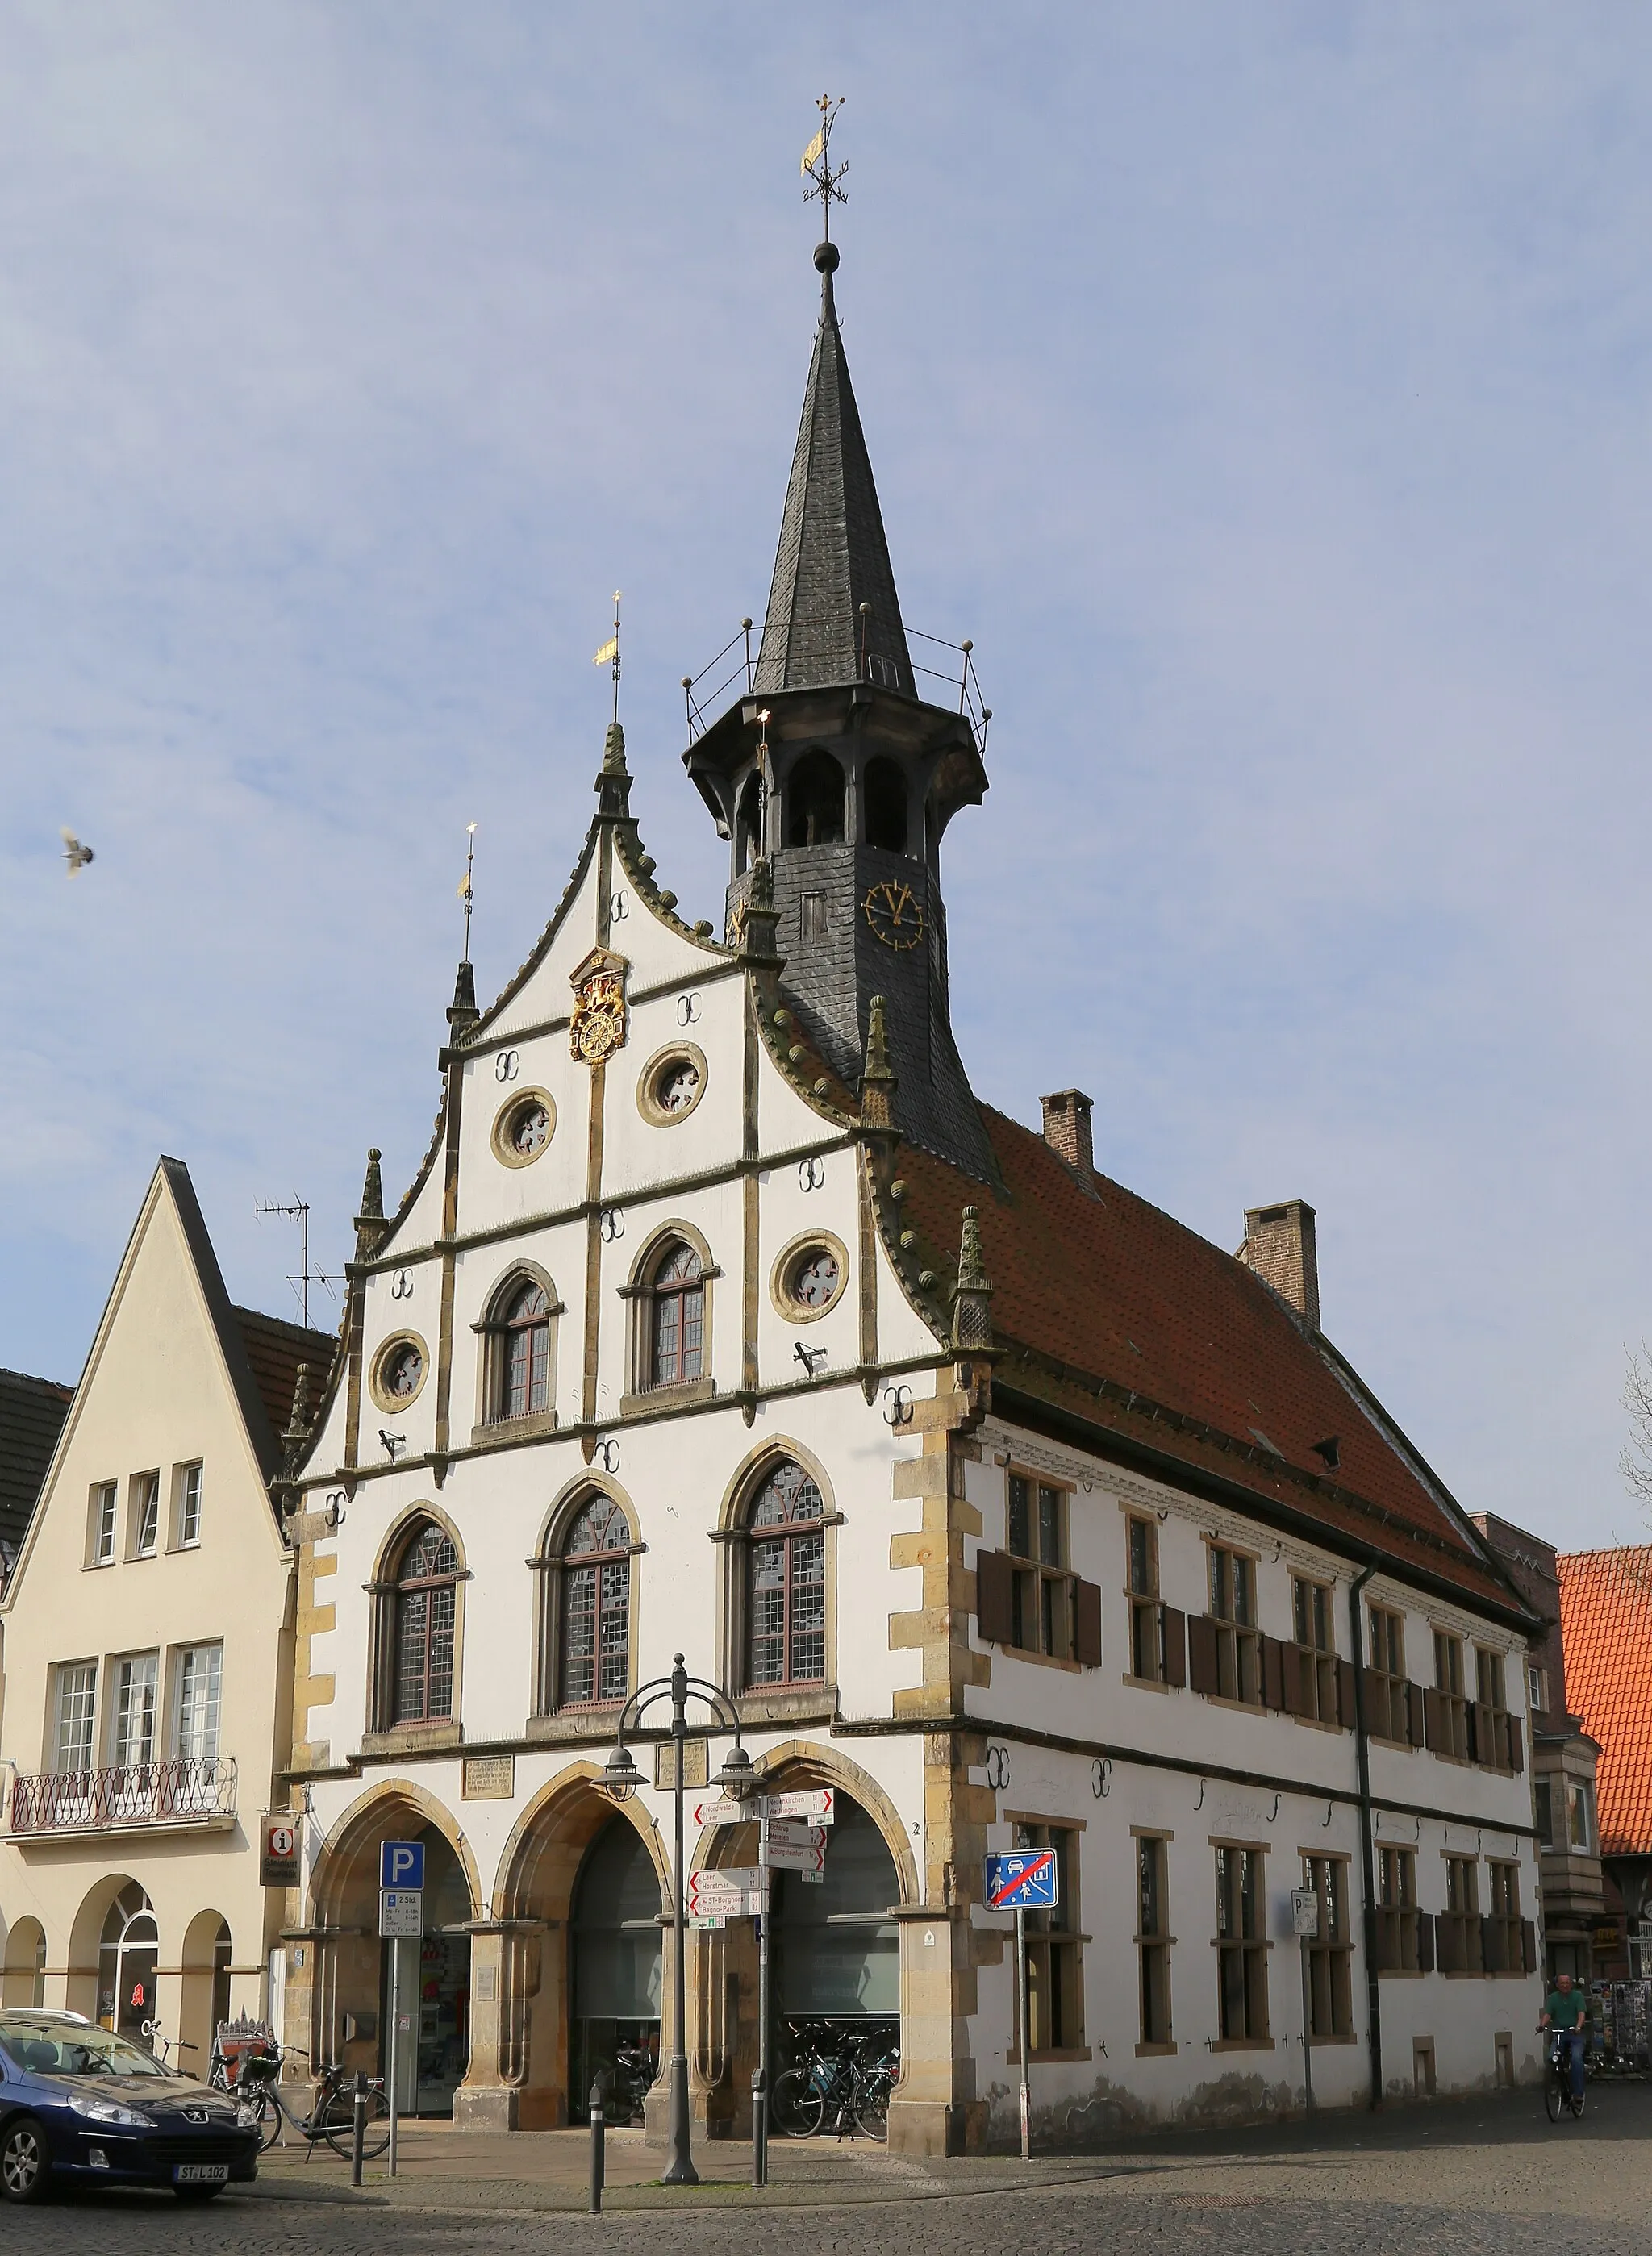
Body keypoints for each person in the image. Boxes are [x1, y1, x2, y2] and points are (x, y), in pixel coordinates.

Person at [1541, 1969, 1588, 2100]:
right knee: (1552, 2057)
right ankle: (1556, 2085)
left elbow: (1581, 2013)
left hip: (1575, 2034)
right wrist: (1542, 2025)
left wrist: (1578, 2026)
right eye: (1562, 1983)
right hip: (1560, 2033)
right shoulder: (1553, 1998)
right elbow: (1548, 2014)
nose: (1565, 1985)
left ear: (1571, 1984)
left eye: (1567, 1983)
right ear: (1557, 1985)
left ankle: (1578, 2093)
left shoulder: (1578, 1996)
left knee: (1576, 2058)